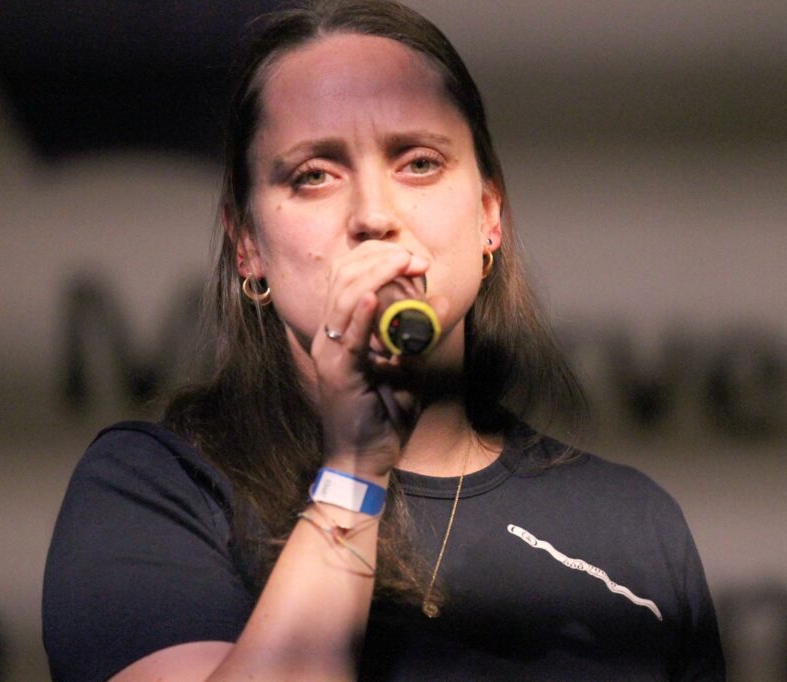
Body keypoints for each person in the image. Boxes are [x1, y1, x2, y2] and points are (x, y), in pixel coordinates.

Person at [42, 1, 725, 679]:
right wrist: (353, 472)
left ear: (489, 217)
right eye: (314, 175)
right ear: (247, 243)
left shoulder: (634, 529)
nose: (374, 215)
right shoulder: (154, 492)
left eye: (419, 163)